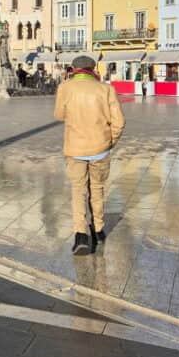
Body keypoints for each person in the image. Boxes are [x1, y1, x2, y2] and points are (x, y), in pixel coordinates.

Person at [53, 55, 126, 256]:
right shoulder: (106, 89)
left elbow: (59, 115)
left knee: (78, 191)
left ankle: (80, 235)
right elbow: (119, 122)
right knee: (97, 188)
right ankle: (98, 230)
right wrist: (110, 141)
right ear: (93, 69)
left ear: (74, 69)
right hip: (99, 148)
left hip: (75, 148)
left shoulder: (65, 88)